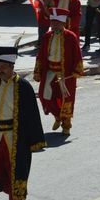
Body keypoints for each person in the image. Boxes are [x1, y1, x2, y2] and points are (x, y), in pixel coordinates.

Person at [0, 46, 46, 200]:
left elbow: (32, 116)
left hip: (16, 140)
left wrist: (34, 142)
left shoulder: (23, 87)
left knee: (16, 176)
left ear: (11, 66)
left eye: (2, 67)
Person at [34, 8, 83, 136]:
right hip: (49, 71)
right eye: (53, 22)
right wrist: (37, 72)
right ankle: (57, 116)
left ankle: (66, 125)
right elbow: (40, 55)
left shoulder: (71, 37)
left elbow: (77, 55)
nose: (54, 25)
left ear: (63, 23)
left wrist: (77, 70)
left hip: (65, 74)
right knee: (45, 96)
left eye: (57, 22)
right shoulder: (47, 37)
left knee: (65, 99)